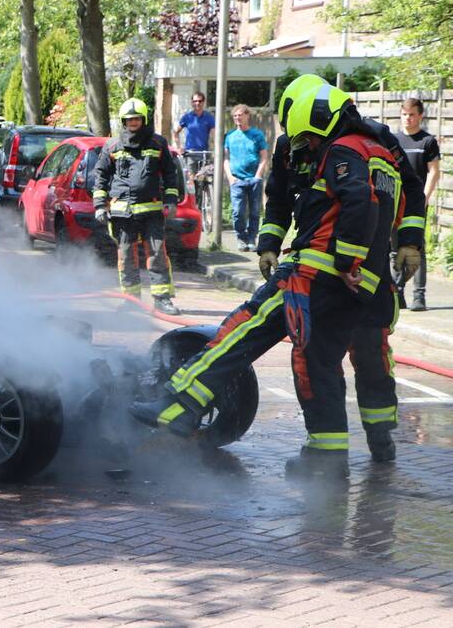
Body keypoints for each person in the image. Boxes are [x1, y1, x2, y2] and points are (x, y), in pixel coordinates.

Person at [132, 82, 406, 480]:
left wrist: (347, 259)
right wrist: (274, 245)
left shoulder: (343, 150)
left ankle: (175, 408)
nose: (306, 146)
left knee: (242, 329)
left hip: (314, 275)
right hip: (355, 285)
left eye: (308, 138)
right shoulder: (380, 153)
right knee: (320, 365)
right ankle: (328, 458)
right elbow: (388, 215)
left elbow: (358, 203)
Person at [258, 74, 426, 464]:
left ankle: (380, 434)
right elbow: (279, 200)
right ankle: (330, 450)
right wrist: (269, 245)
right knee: (320, 352)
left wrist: (410, 242)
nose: (306, 145)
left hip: (368, 264)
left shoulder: (375, 138)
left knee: (371, 349)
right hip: (323, 267)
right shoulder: (289, 147)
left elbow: (411, 190)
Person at [92, 98, 180, 315]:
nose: (133, 122)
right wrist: (99, 206)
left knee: (158, 253)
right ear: (123, 121)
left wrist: (170, 200)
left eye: (137, 119)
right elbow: (101, 175)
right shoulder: (112, 145)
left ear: (144, 119)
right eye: (129, 119)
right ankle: (131, 301)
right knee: (126, 256)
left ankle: (162, 299)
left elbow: (170, 173)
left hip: (151, 210)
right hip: (123, 212)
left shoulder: (158, 143)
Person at [393, 97, 440, 311]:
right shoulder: (394, 141)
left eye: (412, 114)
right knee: (394, 250)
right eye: (404, 114)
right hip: (396, 205)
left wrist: (424, 197)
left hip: (417, 206)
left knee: (417, 250)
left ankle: (419, 296)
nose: (407, 118)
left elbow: (434, 172)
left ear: (420, 116)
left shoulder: (427, 141)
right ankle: (397, 292)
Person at [223, 104, 268, 251]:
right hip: (237, 180)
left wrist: (258, 176)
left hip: (253, 179)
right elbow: (226, 159)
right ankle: (241, 237)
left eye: (240, 115)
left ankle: (251, 238)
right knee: (238, 212)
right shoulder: (229, 136)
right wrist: (230, 177)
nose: (238, 118)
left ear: (247, 115)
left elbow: (264, 157)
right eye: (235, 116)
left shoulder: (257, 135)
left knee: (254, 211)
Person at [174, 91, 215, 176]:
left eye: (200, 101)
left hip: (204, 153)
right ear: (192, 102)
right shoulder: (187, 117)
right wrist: (179, 147)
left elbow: (214, 135)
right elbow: (176, 133)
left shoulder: (209, 117)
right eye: (195, 101)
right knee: (191, 179)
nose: (197, 103)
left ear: (203, 102)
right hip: (190, 153)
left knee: (204, 179)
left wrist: (215, 148)